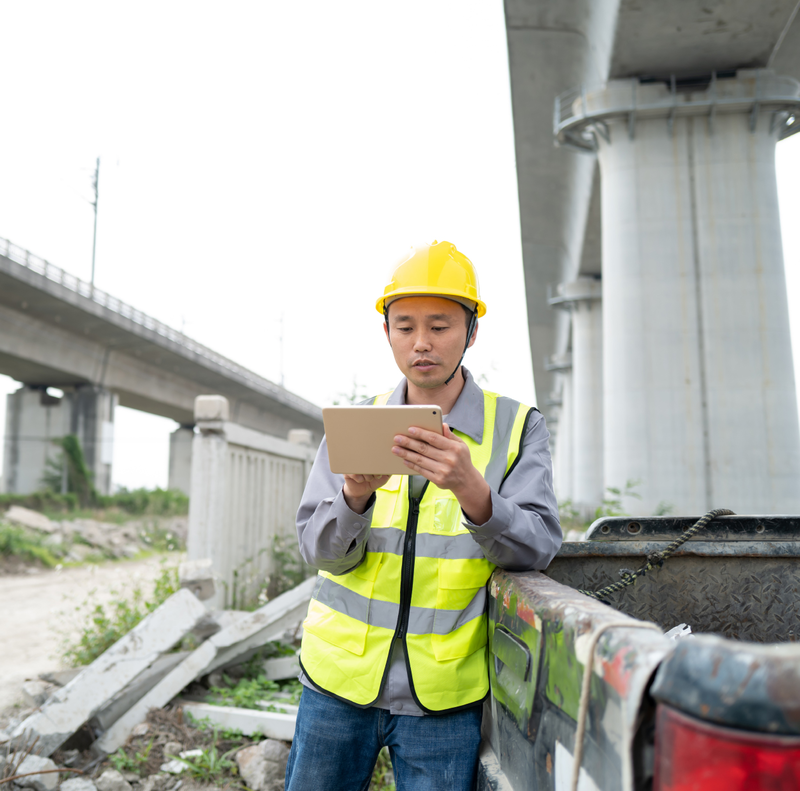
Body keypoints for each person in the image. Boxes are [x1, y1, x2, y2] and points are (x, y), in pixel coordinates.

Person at [285, 241, 561, 791]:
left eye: (440, 326)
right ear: (386, 332)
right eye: (405, 326)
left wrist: (475, 494)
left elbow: (538, 549)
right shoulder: (356, 425)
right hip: (337, 683)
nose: (422, 343)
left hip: (444, 698)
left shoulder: (516, 428)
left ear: (471, 333)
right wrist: (353, 500)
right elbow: (318, 552)